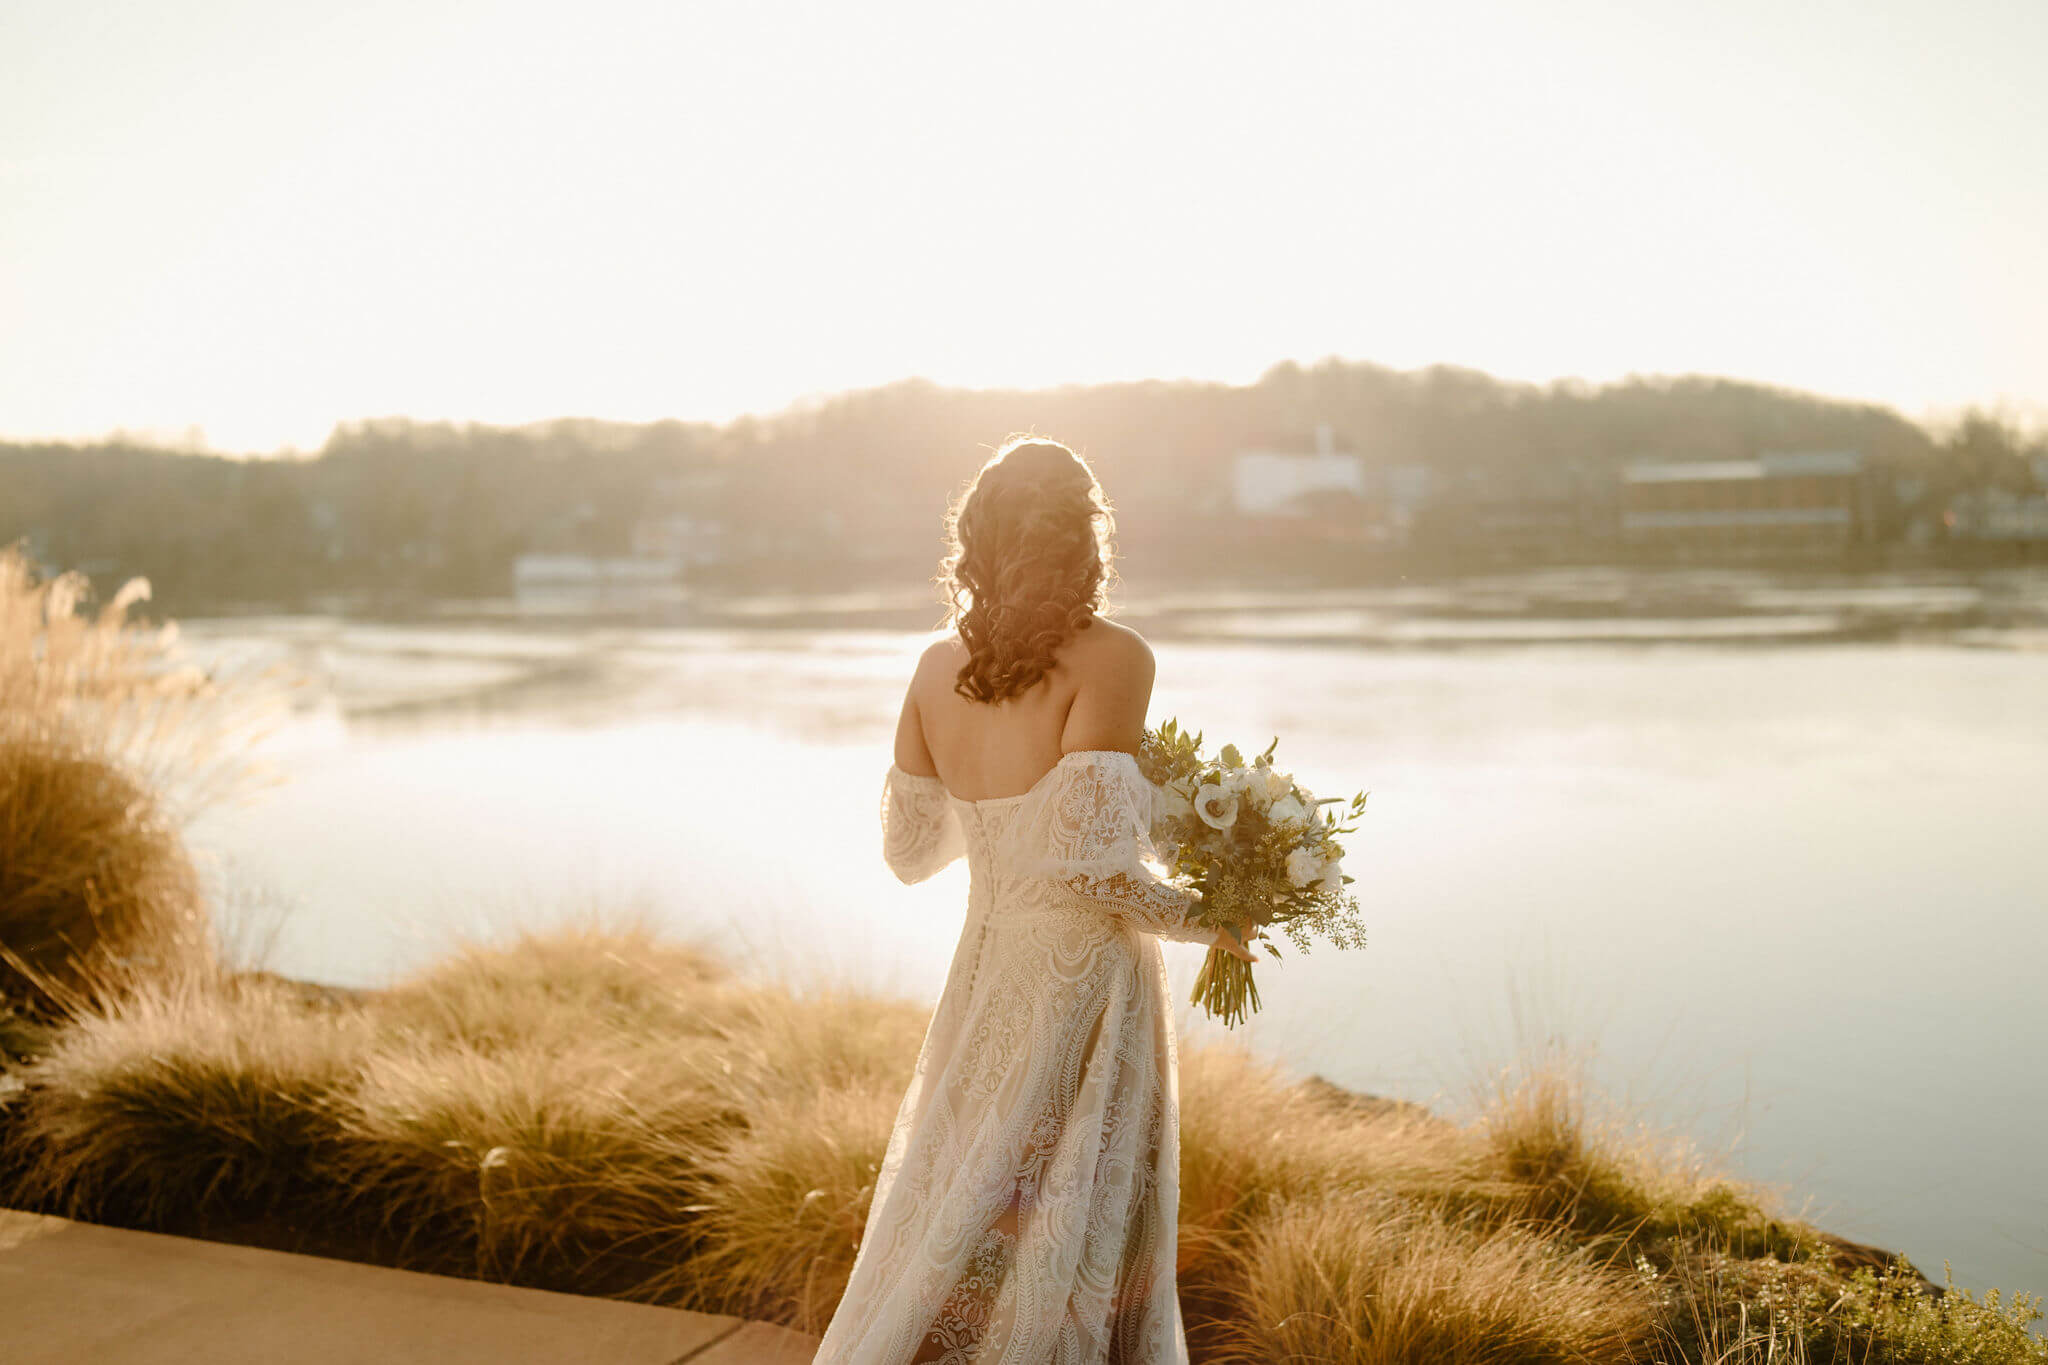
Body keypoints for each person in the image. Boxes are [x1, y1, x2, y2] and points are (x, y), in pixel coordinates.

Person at [813, 436, 1255, 1363]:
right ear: (1086, 538)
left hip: (985, 962)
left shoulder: (935, 669)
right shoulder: (1115, 657)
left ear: (977, 539)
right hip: (1082, 979)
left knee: (968, 1189)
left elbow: (908, 854)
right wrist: (1214, 917)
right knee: (1076, 1207)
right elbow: (1090, 871)